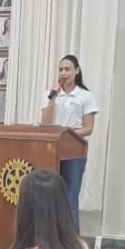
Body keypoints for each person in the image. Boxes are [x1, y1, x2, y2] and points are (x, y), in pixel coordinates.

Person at [40, 55, 98, 232]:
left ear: (77, 71)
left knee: (70, 199)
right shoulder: (50, 94)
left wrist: (65, 135)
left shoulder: (85, 96)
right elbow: (45, 124)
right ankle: (49, 240)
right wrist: (52, 99)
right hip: (52, 151)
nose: (64, 73)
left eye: (67, 69)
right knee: (49, 198)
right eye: (61, 70)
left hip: (74, 154)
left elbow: (88, 128)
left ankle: (72, 244)